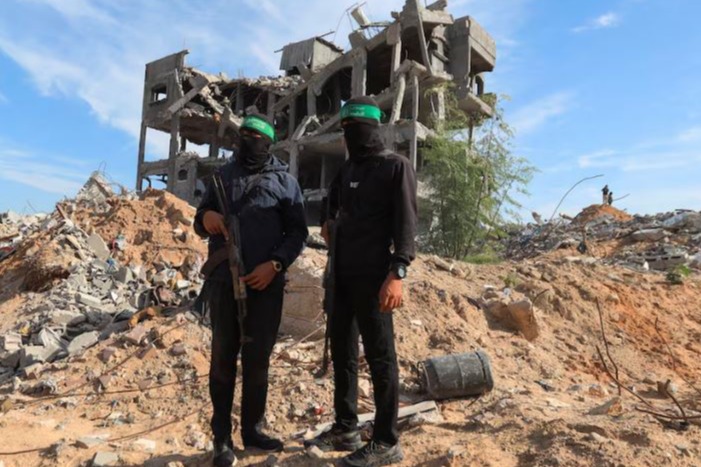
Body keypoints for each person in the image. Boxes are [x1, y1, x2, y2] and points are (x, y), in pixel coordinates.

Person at [305, 96, 417, 467]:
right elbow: (331, 202)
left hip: (375, 278)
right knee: (343, 354)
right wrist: (327, 220)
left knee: (382, 358)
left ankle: (386, 440)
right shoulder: (348, 169)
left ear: (373, 128)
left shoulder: (395, 166)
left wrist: (397, 273)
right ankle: (345, 427)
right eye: (346, 129)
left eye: (356, 128)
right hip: (341, 277)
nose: (351, 135)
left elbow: (406, 226)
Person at [194, 113, 308, 467]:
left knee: (258, 361)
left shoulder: (285, 182)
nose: (248, 141)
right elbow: (200, 220)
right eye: (243, 135)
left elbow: (298, 233)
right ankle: (221, 438)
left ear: (268, 143)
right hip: (223, 283)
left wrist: (275, 265)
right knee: (222, 360)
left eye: (255, 137)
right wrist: (207, 218)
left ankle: (253, 429)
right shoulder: (222, 177)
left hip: (265, 286)